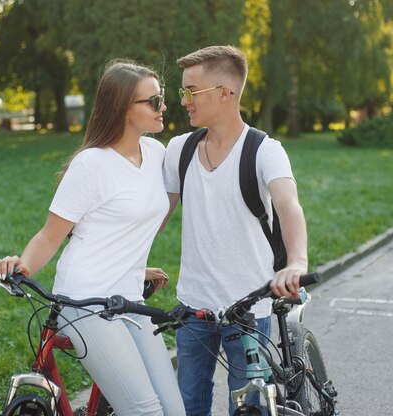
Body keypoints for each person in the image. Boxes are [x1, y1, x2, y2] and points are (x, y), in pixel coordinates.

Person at [0, 60, 185, 416]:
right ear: (124, 109)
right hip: (83, 303)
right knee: (146, 412)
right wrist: (23, 265)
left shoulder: (157, 154)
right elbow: (50, 236)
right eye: (153, 101)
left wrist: (133, 269)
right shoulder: (91, 165)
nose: (164, 107)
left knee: (175, 411)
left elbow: (136, 225)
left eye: (163, 98)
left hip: (127, 300)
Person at [162, 45, 308, 415]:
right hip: (193, 309)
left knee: (247, 408)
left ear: (225, 93)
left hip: (248, 309)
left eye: (191, 91)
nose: (184, 101)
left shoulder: (264, 151)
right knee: (188, 406)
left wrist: (297, 262)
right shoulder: (180, 149)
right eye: (183, 91)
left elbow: (289, 207)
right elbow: (155, 217)